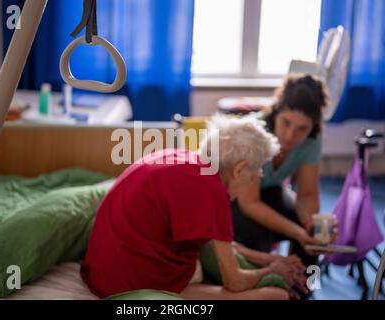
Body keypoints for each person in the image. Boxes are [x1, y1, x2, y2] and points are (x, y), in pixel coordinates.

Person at [81, 116, 305, 300]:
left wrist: (270, 259)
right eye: (257, 170)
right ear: (239, 170)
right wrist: (271, 271)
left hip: (103, 271)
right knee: (276, 296)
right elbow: (235, 281)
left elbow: (218, 242)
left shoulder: (183, 159)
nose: (258, 176)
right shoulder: (212, 193)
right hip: (128, 287)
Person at [231, 74, 331, 271]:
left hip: (269, 191)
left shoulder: (312, 140)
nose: (290, 135)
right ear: (276, 112)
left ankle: (306, 288)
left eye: (302, 128)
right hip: (232, 198)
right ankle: (264, 288)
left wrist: (312, 227)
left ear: (312, 127)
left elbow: (308, 193)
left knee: (314, 240)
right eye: (286, 123)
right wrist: (297, 233)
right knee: (259, 234)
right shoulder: (253, 133)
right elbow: (249, 202)